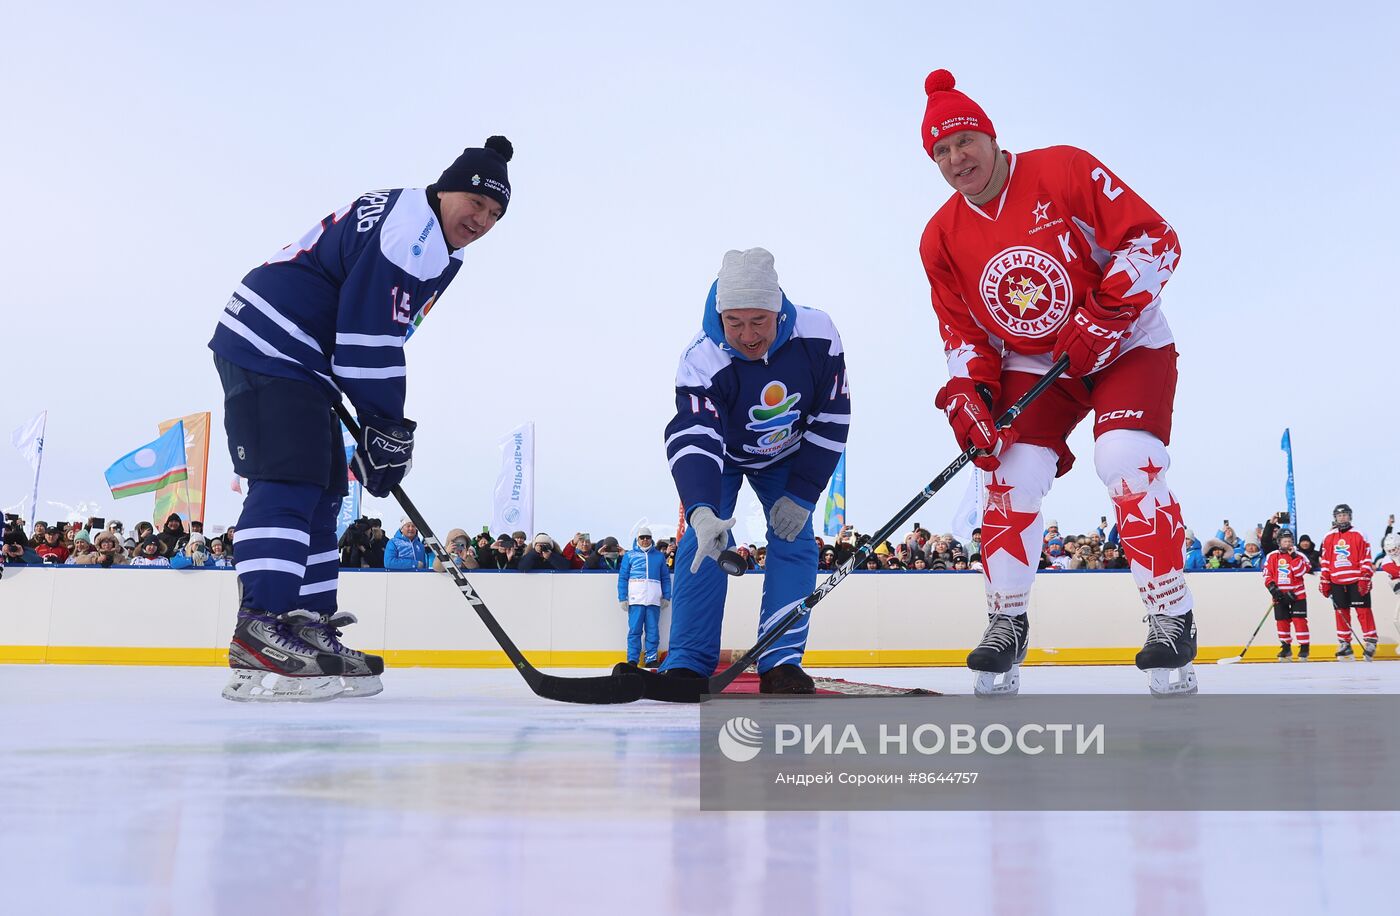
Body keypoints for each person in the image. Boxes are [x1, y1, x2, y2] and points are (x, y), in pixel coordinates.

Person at [918, 70, 1196, 697]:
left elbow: (1157, 241)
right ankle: (1005, 623)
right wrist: (971, 397)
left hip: (1127, 343)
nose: (956, 158)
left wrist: (1105, 315)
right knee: (1005, 470)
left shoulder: (1063, 169)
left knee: (1124, 458)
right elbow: (964, 335)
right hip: (1040, 362)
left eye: (964, 141)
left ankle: (1170, 614)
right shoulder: (939, 237)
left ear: (990, 135)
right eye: (941, 151)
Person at [206, 136, 512, 701]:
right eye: (475, 202)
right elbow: (367, 342)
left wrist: (382, 425)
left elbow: (377, 333)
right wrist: (388, 424)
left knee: (325, 492)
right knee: (288, 482)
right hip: (273, 345)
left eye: (495, 213)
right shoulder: (411, 234)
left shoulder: (434, 240)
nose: (483, 219)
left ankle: (304, 624)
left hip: (302, 357)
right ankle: (261, 627)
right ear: (446, 190)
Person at [661, 248, 851, 694]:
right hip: (721, 457)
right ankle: (688, 660)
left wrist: (804, 493)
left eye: (759, 321)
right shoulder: (702, 356)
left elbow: (832, 414)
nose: (747, 336)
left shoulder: (819, 333)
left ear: (778, 310)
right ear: (721, 315)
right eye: (735, 323)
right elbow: (693, 433)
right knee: (703, 545)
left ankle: (780, 659)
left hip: (786, 455)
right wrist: (703, 508)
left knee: (795, 539)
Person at [1319, 504, 1376, 660]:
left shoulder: (1359, 534)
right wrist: (1325, 579)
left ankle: (1370, 640)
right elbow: (1325, 561)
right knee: (1341, 612)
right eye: (1339, 516)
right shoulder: (1328, 537)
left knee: (1363, 611)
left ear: (1350, 516)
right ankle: (1345, 643)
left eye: (1344, 515)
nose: (1342, 518)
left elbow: (1366, 557)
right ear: (1335, 518)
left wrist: (1365, 577)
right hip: (1337, 581)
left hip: (1356, 579)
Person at [617, 528, 672, 667]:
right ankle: (632, 660)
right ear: (638, 539)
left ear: (651, 538)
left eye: (648, 537)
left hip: (653, 600)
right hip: (636, 600)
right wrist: (622, 597)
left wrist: (666, 596)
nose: (645, 540)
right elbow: (623, 578)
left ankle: (651, 658)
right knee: (635, 630)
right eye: (642, 537)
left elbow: (665, 578)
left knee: (653, 630)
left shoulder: (659, 556)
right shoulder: (629, 556)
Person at [1264, 528, 1311, 661]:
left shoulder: (1300, 556)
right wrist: (1273, 588)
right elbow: (1267, 574)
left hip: (1297, 594)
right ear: (1279, 542)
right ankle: (1286, 647)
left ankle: (1304, 647)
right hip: (1280, 595)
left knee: (1299, 620)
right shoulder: (1272, 556)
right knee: (1281, 621)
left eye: (1290, 541)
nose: (1288, 544)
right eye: (1285, 541)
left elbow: (1300, 572)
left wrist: (1294, 557)